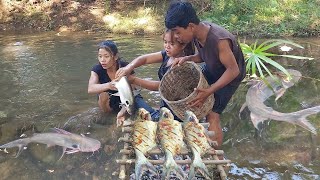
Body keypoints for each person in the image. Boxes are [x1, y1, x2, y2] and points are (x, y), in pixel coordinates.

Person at [165, 2, 246, 147]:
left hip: (229, 77)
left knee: (212, 115)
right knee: (194, 96)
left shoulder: (219, 40)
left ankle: (216, 156)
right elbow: (205, 55)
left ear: (190, 26)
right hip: (213, 68)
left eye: (177, 32)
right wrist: (188, 58)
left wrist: (209, 91)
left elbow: (233, 70)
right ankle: (199, 139)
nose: (176, 37)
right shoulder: (198, 32)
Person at [115, 30, 194, 121]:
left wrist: (133, 80)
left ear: (183, 45)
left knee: (135, 101)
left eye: (172, 44)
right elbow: (144, 59)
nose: (167, 46)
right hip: (165, 106)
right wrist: (129, 67)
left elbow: (161, 86)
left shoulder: (182, 66)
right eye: (165, 42)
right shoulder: (167, 55)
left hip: (176, 113)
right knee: (132, 97)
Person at [88, 40, 157, 125]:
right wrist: (109, 85)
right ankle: (110, 118)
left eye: (106, 56)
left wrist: (124, 110)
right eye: (100, 56)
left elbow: (133, 92)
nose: (102, 60)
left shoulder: (125, 67)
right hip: (109, 101)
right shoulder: (97, 69)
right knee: (103, 95)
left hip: (130, 97)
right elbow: (90, 88)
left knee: (150, 115)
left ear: (115, 56)